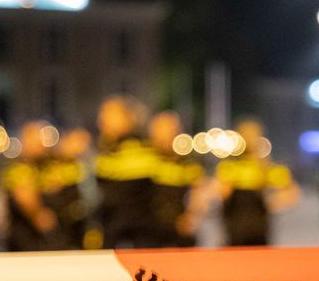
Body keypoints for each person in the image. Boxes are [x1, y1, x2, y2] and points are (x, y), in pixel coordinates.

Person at [213, 119, 300, 246]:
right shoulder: (230, 167)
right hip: (235, 227)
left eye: (253, 135)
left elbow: (292, 192)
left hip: (258, 227)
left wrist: (273, 201)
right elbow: (221, 193)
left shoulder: (266, 168)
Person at [94, 96, 157, 248]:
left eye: (109, 115)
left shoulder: (145, 149)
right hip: (111, 226)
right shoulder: (104, 151)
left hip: (142, 229)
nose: (102, 121)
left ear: (128, 118)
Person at [146, 111, 205, 247]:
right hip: (149, 226)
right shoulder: (145, 157)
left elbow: (198, 192)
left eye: (170, 129)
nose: (165, 134)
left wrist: (191, 216)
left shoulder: (188, 161)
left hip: (180, 224)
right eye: (160, 128)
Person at [1, 124, 56, 251]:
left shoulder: (43, 167)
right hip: (24, 239)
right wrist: (40, 217)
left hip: (37, 239)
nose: (39, 146)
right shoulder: (18, 169)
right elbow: (24, 197)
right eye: (34, 142)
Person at [41, 127, 92, 249]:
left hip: (83, 222)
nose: (80, 147)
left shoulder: (87, 164)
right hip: (62, 223)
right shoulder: (55, 165)